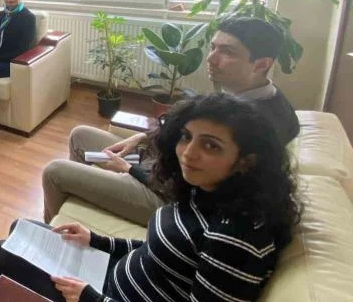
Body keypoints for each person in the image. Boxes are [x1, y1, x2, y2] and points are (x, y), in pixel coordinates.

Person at [0, 94, 301, 302]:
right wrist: (98, 241)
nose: (188, 153)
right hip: (110, 283)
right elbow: (160, 251)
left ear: (246, 161)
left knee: (2, 251)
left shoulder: (235, 237)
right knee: (22, 229)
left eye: (211, 146)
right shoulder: (207, 191)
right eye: (186, 137)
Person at [42, 15, 301, 224]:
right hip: (158, 169)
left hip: (168, 197)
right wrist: (141, 138)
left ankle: (51, 233)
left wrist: (130, 170)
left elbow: (197, 190)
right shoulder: (247, 96)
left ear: (262, 64)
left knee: (55, 172)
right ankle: (83, 200)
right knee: (81, 135)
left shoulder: (260, 124)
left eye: (228, 52)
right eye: (213, 47)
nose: (211, 58)